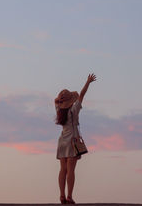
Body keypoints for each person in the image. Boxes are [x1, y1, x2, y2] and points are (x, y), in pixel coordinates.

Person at [54, 73, 97, 204]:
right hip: (73, 141)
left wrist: (61, 99)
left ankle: (61, 195)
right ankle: (69, 196)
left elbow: (56, 100)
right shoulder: (74, 109)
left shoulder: (58, 110)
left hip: (62, 140)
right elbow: (82, 95)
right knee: (71, 170)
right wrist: (88, 82)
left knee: (63, 170)